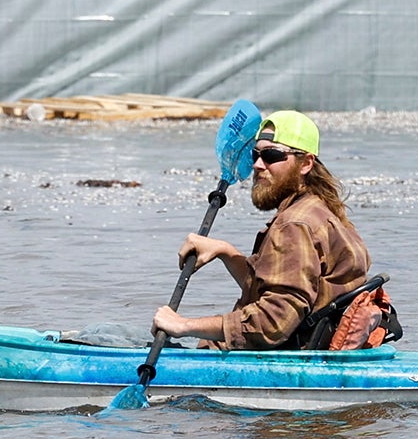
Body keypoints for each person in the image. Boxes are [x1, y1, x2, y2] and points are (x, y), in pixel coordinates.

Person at [151, 111, 394, 350]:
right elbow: (277, 288)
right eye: (255, 154)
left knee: (118, 337)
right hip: (310, 345)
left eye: (271, 155)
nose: (258, 164)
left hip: (288, 359)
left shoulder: (293, 226)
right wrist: (225, 251)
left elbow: (272, 324)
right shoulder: (320, 209)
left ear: (306, 163)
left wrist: (183, 325)